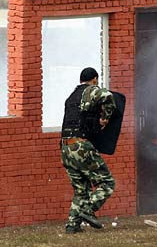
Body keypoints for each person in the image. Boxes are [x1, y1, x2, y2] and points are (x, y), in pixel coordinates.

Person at [61, 67, 116, 234]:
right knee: (107, 183)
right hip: (80, 145)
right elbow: (108, 96)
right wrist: (105, 118)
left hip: (65, 147)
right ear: (94, 79)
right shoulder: (91, 90)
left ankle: (73, 225)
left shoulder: (71, 97)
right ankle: (87, 210)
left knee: (81, 189)